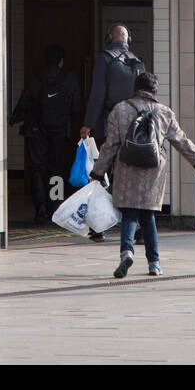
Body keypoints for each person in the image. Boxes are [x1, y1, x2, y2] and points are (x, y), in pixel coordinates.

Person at [88, 70, 195, 278]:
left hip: (127, 167)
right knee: (148, 216)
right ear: (155, 90)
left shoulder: (120, 109)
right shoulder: (164, 113)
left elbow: (110, 146)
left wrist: (97, 172)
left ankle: (126, 253)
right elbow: (182, 142)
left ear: (135, 88)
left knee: (129, 213)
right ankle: (154, 264)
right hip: (153, 171)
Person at [79, 25, 145, 241]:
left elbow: (98, 92)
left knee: (101, 174)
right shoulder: (137, 61)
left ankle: (99, 227)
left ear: (110, 39)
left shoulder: (105, 58)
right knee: (126, 175)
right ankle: (137, 227)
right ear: (128, 40)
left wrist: (88, 123)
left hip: (110, 124)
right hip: (134, 127)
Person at [9, 43, 81, 224]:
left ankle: (40, 209)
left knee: (37, 170)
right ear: (61, 62)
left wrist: (14, 119)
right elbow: (76, 107)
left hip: (36, 132)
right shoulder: (70, 79)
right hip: (59, 132)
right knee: (56, 170)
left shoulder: (35, 78)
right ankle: (54, 207)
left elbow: (24, 103)